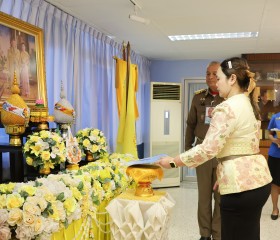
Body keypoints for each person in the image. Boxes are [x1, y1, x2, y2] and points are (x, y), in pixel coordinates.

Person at [158, 57, 272, 240]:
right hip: (258, 182)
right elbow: (246, 146)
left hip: (240, 189)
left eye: (218, 78)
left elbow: (207, 150)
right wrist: (227, 171)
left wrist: (172, 162)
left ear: (232, 79)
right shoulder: (249, 104)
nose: (215, 83)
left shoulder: (226, 107)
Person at [184, 61, 223, 240]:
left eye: (214, 73)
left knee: (221, 197)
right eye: (207, 73)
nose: (210, 77)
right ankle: (205, 234)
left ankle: (218, 234)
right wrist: (187, 152)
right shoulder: (198, 98)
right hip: (202, 153)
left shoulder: (229, 98)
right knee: (204, 197)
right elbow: (190, 125)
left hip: (223, 154)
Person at [267, 112, 280, 220]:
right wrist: (275, 140)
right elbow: (270, 134)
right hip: (275, 155)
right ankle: (275, 208)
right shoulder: (275, 117)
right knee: (275, 183)